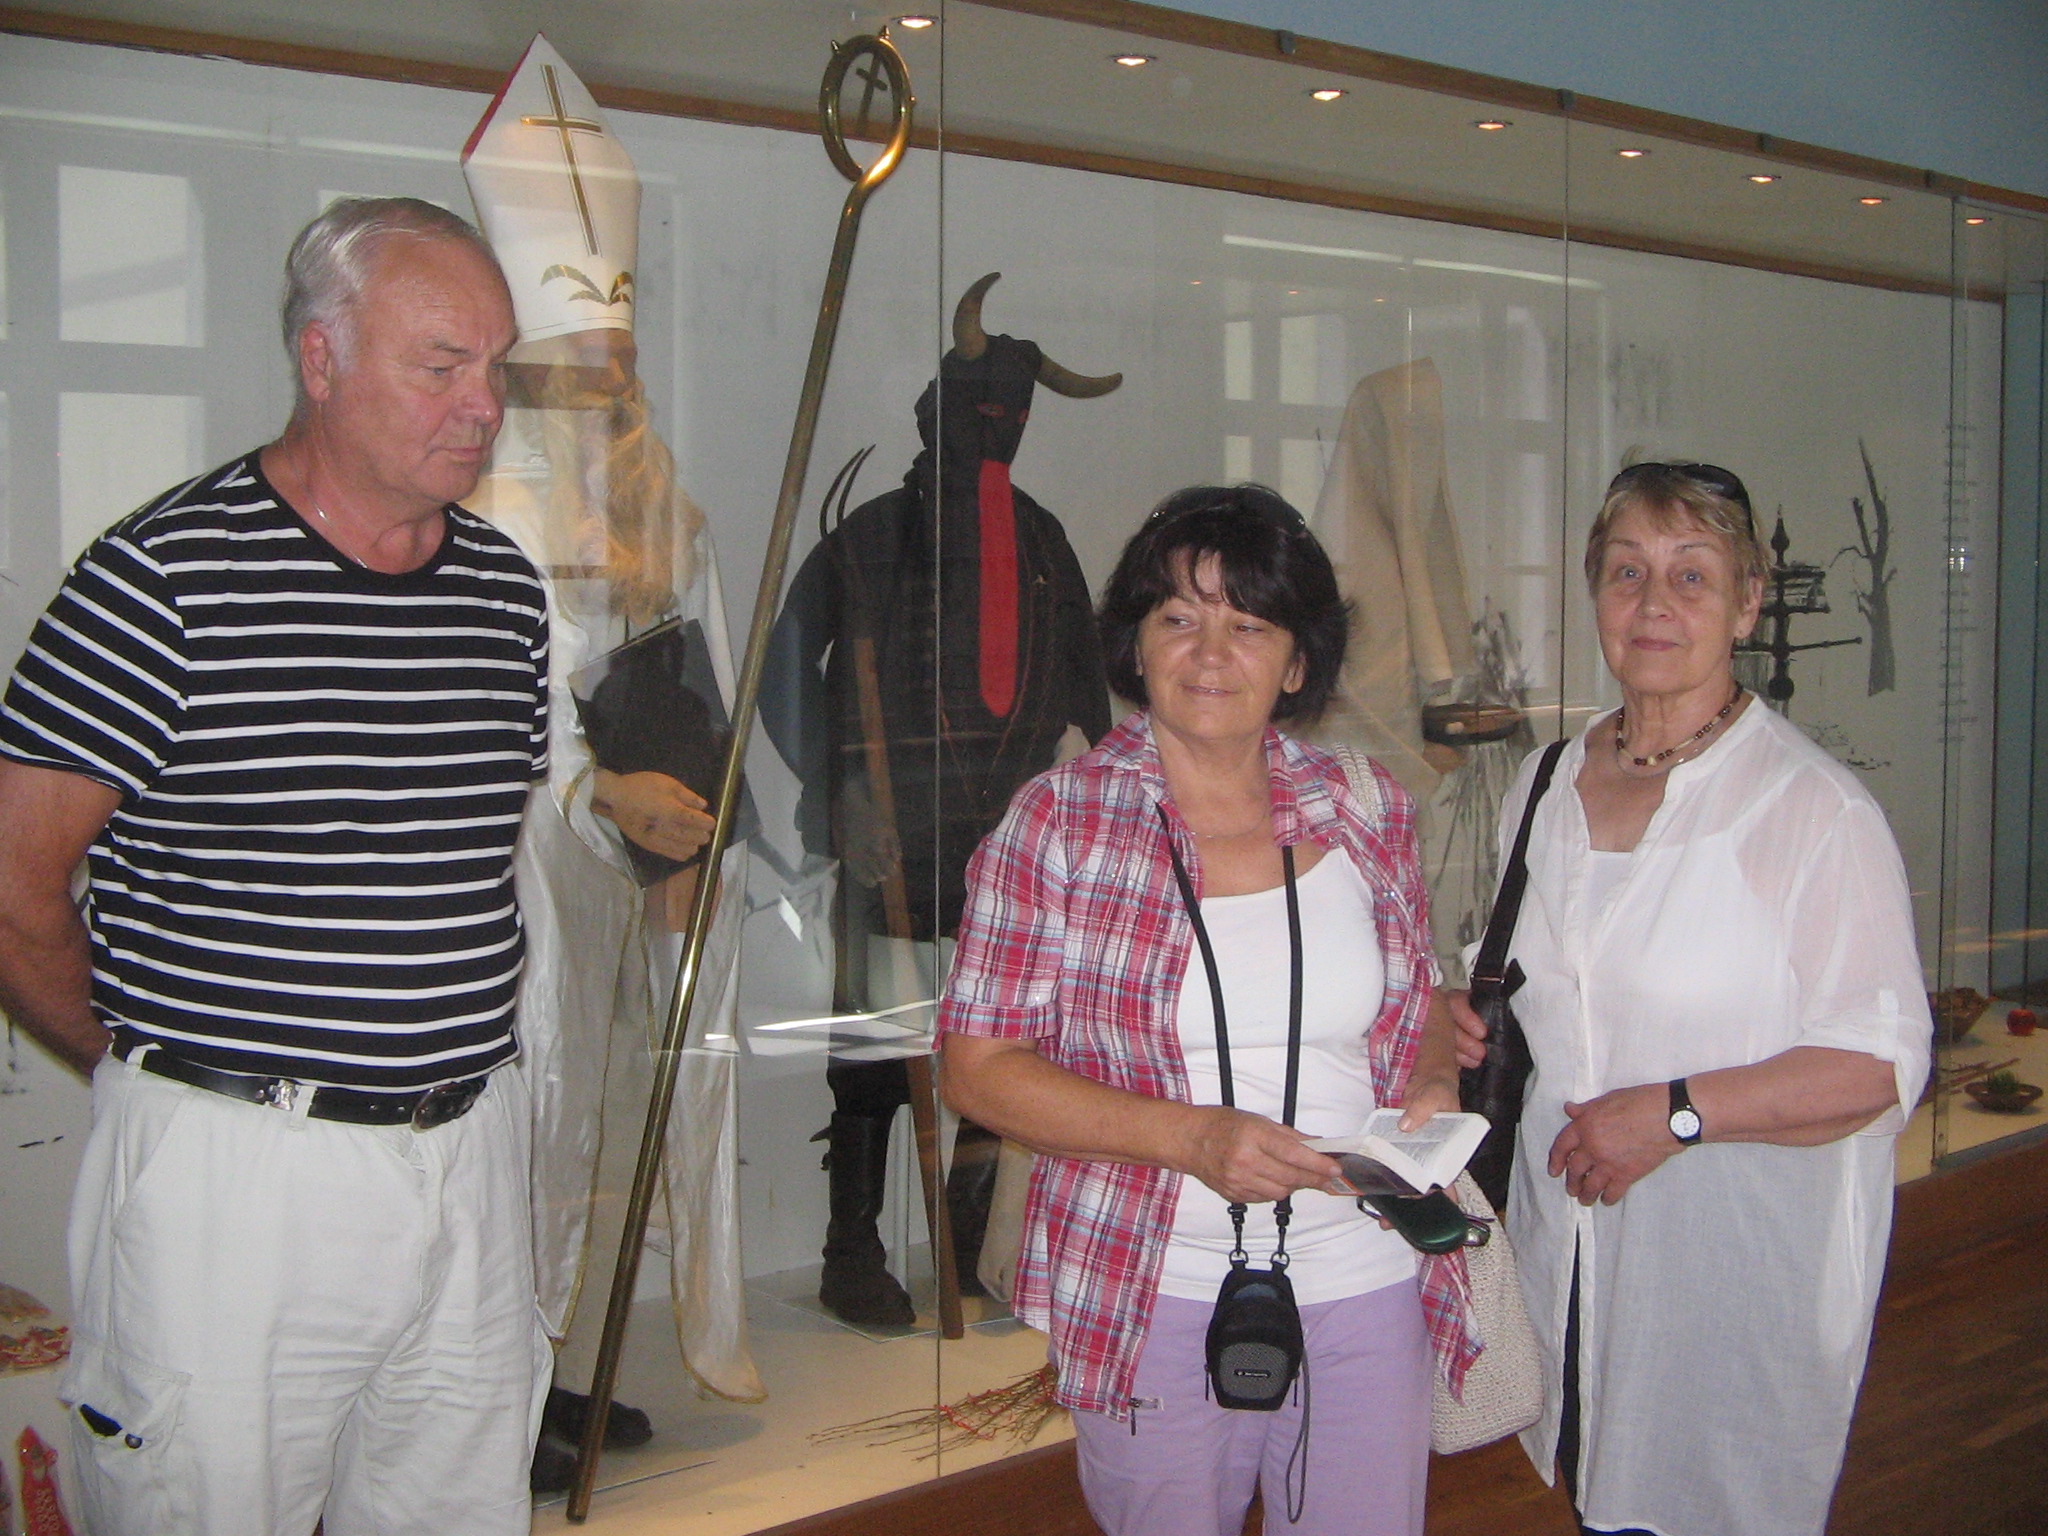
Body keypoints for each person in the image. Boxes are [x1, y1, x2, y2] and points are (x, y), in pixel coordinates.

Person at [0, 196, 552, 1535]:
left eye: (497, 366)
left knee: (456, 1510)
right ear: (321, 358)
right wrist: (143, 1066)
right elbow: (13, 881)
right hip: (240, 1177)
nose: (484, 405)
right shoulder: (161, 579)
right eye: (442, 364)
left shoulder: (502, 591)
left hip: (472, 1155)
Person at [938, 485, 1479, 1536]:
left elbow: (1413, 999)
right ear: (1136, 645)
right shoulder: (1058, 822)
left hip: (1364, 1267)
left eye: (1250, 625)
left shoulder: (1364, 804)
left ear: (1297, 662)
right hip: (1152, 1282)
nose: (1210, 653)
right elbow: (977, 1068)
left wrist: (1430, 1076)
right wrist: (1195, 1140)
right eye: (1179, 618)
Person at [1449, 462, 1933, 1536]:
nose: (1653, 603)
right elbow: (1535, 978)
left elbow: (1878, 1062)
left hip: (1727, 1279)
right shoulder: (1542, 783)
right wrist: (1458, 1013)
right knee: (1598, 1496)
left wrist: (1672, 1114)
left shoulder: (1812, 810)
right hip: (1573, 1262)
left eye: (1691, 575)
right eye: (1627, 572)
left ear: (1747, 604)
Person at [461, 37, 761, 1492]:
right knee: (538, 1123)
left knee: (625, 1117)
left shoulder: (657, 500)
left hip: (647, 868)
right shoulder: (477, 519)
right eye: (582, 373)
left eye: (622, 369)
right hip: (520, 879)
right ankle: (499, 1392)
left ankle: (572, 1372)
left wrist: (696, 819)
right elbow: (481, 724)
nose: (609, 392)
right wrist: (591, 795)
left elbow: (699, 669)